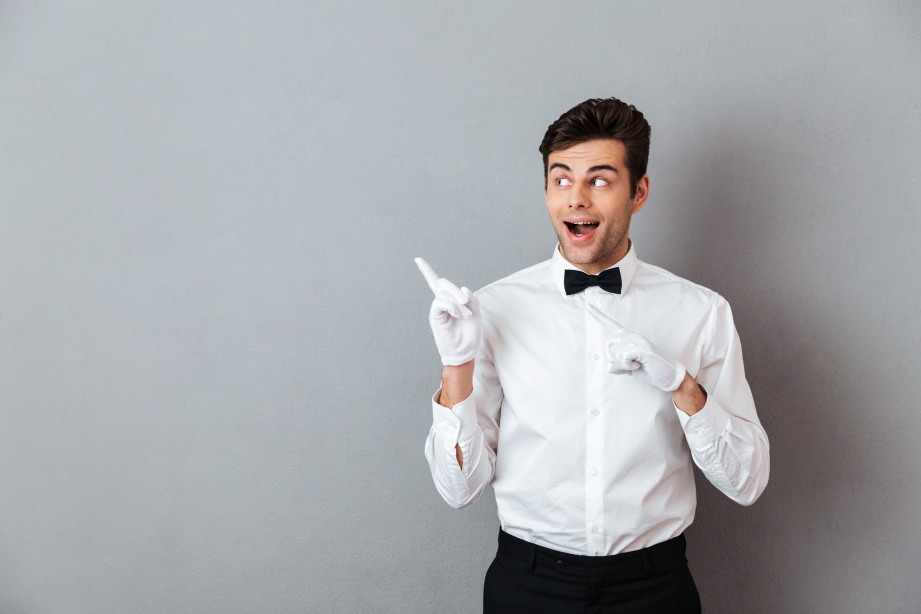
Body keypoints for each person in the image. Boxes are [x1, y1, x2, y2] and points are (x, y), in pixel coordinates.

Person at [415, 97, 769, 613]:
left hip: (654, 587)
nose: (576, 199)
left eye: (599, 180)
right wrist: (456, 368)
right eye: (561, 180)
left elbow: (748, 482)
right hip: (529, 585)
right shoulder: (492, 309)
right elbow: (458, 490)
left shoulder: (701, 312)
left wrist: (683, 387)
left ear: (638, 191)